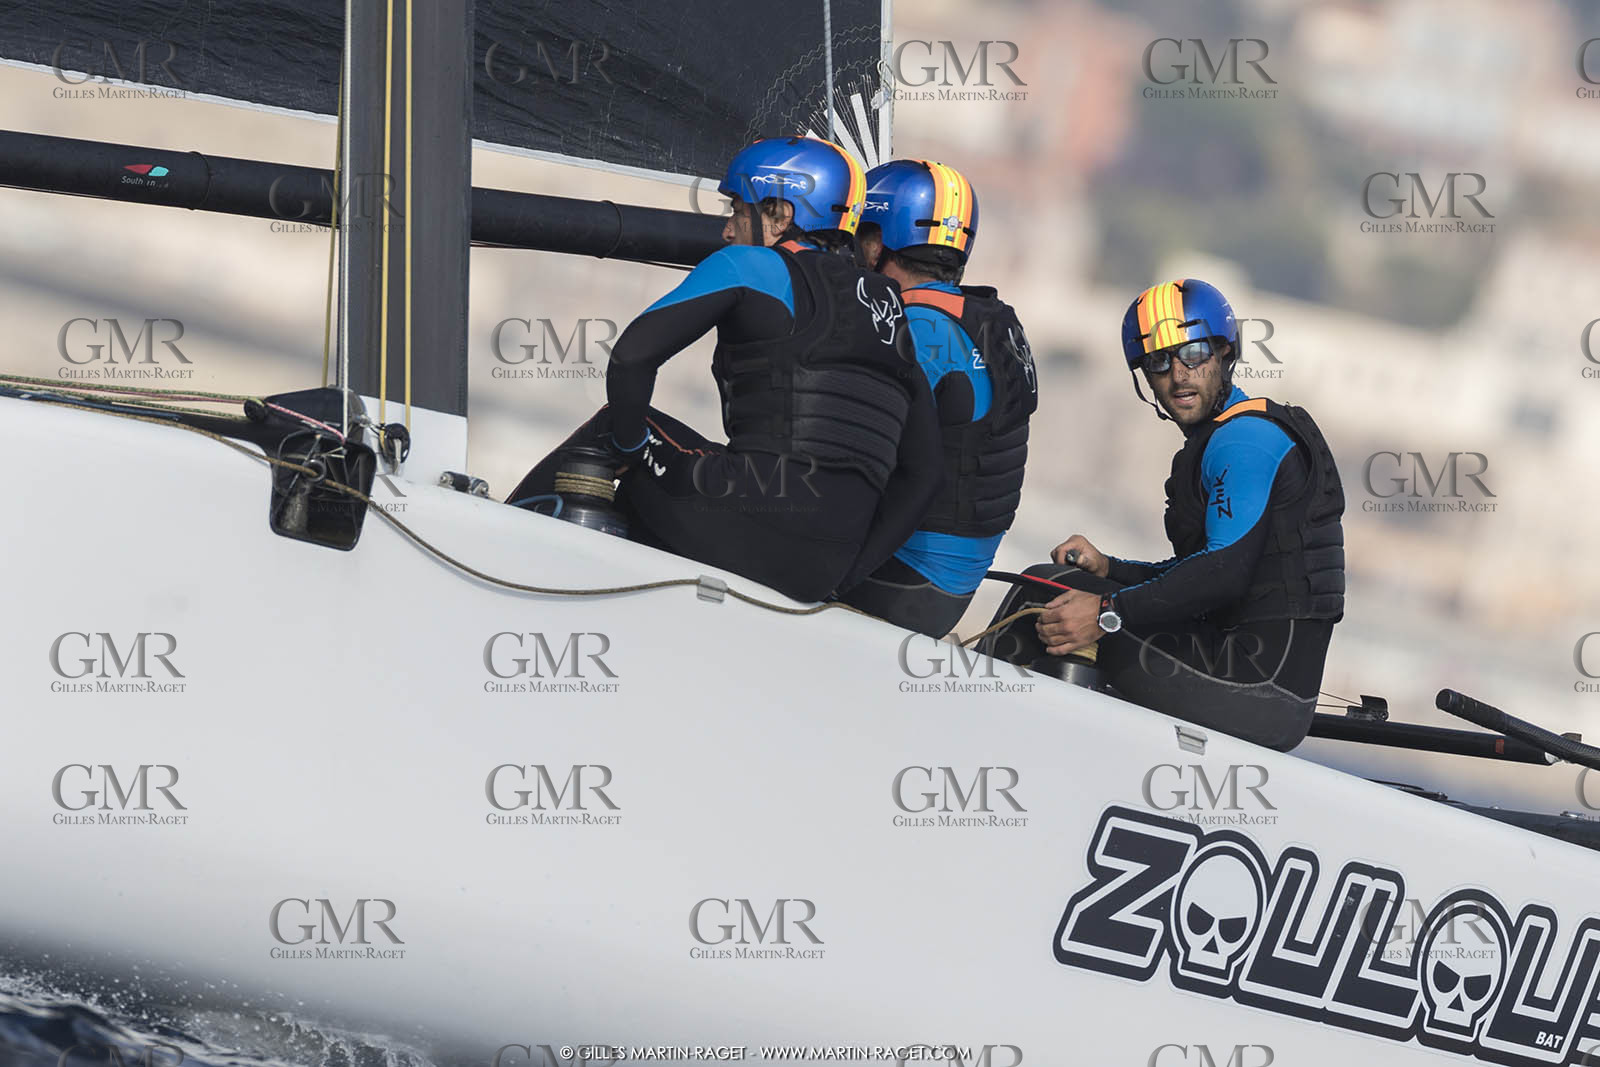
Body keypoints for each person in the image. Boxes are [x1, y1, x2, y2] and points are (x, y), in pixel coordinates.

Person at [506, 136, 941, 603]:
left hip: (746, 521)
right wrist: (842, 577)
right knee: (688, 470)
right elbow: (924, 471)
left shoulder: (752, 264)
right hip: (823, 567)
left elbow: (632, 359)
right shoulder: (888, 309)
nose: (727, 231)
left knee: (617, 425)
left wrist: (632, 446)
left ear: (780, 215)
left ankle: (494, 549)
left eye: (736, 209)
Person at [1031, 278, 1345, 751]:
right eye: (1159, 362)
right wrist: (1112, 571)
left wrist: (1106, 613)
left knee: (1042, 604)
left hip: (1258, 691)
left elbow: (1221, 576)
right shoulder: (1229, 431)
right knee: (1060, 584)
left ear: (1223, 354)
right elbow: (1201, 571)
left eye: (1193, 354)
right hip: (1244, 670)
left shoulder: (1243, 440)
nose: (1178, 375)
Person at [833, 159, 1037, 636]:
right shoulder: (987, 319)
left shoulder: (916, 328)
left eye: (856, 236)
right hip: (950, 587)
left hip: (904, 576)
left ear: (877, 243)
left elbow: (850, 453)